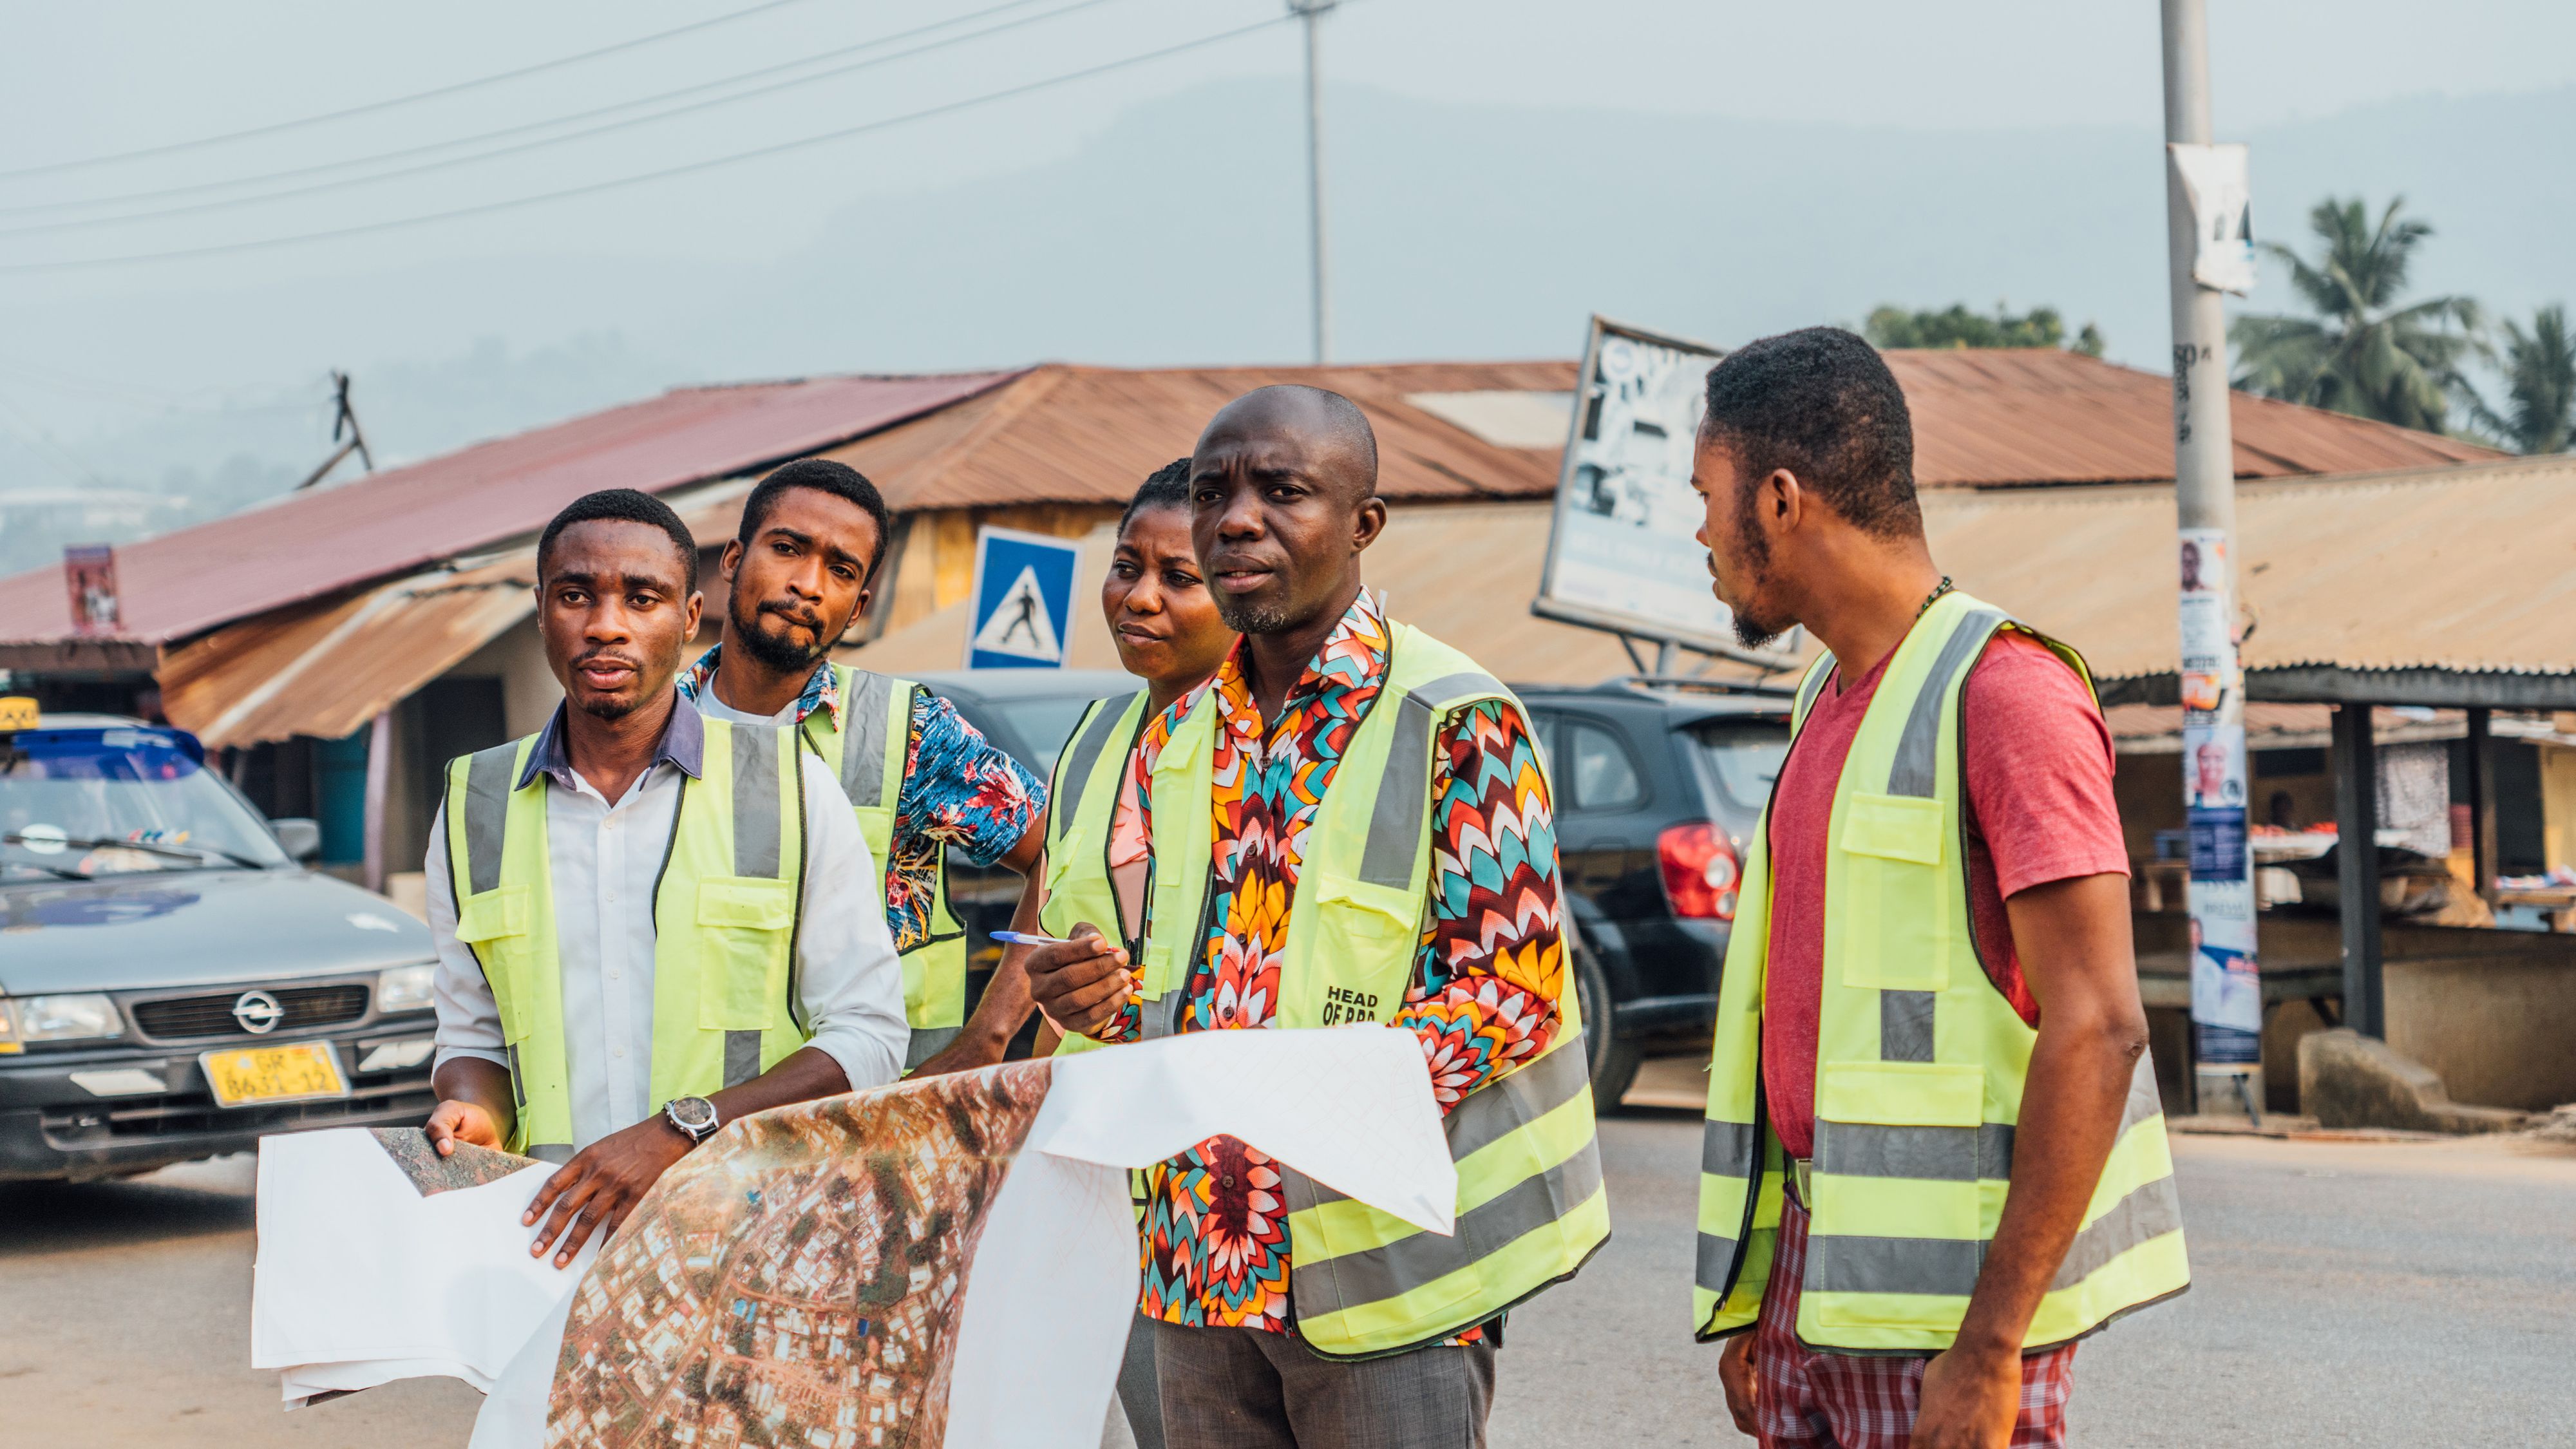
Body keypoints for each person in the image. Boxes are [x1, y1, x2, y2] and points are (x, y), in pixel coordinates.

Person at [1021, 387, 1604, 1449]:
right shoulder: (1181, 736)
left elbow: (1514, 993)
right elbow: (1169, 996)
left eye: (1282, 491)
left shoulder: (1454, 717)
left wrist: (1285, 1090)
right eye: (1213, 494)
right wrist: (1090, 999)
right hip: (1196, 1265)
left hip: (1388, 1281)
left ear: (1363, 526)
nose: (1236, 519)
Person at [1685, 328, 2187, 1449]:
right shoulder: (1828, 699)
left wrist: (1991, 1346)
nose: (1699, 534)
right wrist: (1771, 1294)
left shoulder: (2009, 696)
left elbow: (2100, 1028)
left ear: (1778, 500)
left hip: (1954, 1328)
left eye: (1705, 496)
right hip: (1816, 1296)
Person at [423, 488, 907, 1267]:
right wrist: (471, 1110)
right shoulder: (470, 805)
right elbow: (473, 1033)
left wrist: (681, 1129)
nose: (606, 624)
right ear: (542, 612)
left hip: (753, 1244)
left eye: (640, 599)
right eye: (576, 595)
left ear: (688, 620)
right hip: (551, 1244)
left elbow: (870, 1035)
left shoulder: (790, 788)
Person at [676, 457, 1047, 1074]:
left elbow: (1062, 856)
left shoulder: (910, 732)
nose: (809, 584)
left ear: (857, 607)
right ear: (734, 560)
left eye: (840, 570)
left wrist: (989, 1036)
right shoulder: (654, 730)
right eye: (788, 549)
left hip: (874, 1127)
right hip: (690, 1121)